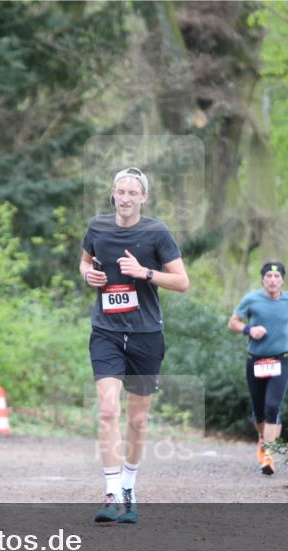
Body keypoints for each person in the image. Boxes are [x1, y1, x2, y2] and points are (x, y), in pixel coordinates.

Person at [80, 167, 189, 523]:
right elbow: (84, 260)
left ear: (143, 197)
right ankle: (110, 494)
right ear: (112, 193)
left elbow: (182, 282)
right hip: (106, 331)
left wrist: (145, 273)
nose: (126, 199)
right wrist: (87, 274)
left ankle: (129, 486)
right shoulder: (97, 227)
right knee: (109, 411)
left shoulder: (157, 232)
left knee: (138, 421)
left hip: (145, 334)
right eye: (120, 192)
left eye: (133, 193)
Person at [228, 261, 288, 475]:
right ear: (263, 279)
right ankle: (263, 438)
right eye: (269, 277)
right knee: (259, 411)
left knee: (273, 407)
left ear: (282, 279)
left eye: (277, 277)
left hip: (280, 360)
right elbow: (233, 322)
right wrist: (249, 330)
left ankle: (268, 454)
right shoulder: (251, 300)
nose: (273, 280)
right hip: (256, 361)